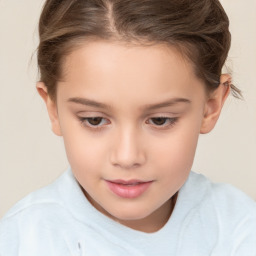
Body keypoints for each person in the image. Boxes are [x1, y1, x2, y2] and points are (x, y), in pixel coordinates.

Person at [0, 0, 255, 255]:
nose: (127, 156)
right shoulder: (24, 241)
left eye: (160, 120)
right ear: (53, 108)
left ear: (210, 106)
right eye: (94, 120)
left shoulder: (238, 227)